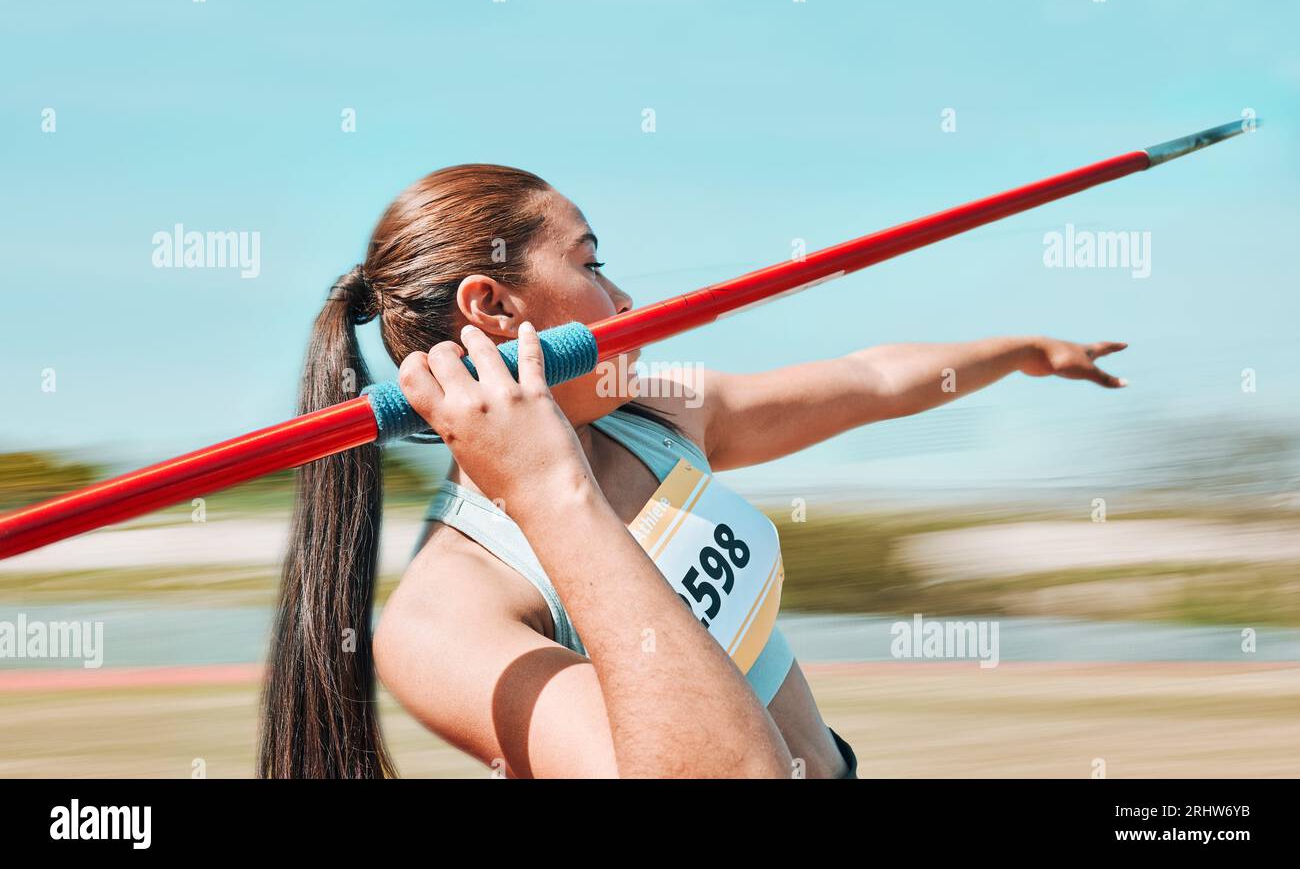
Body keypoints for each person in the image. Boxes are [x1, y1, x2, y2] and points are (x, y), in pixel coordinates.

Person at [259, 164, 1127, 778]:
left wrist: (1020, 351)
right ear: (494, 307)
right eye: (591, 263)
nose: (627, 301)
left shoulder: (659, 416)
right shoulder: (445, 618)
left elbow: (870, 381)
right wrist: (546, 490)